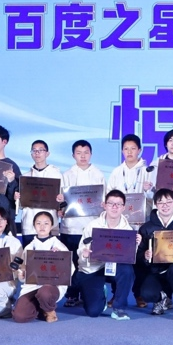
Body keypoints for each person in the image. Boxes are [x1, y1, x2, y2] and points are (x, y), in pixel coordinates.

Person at [76, 189, 137, 320]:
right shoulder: (92, 226)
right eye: (111, 203)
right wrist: (84, 255)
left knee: (127, 271)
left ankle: (119, 308)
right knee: (93, 312)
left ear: (123, 208)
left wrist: (136, 244)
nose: (114, 207)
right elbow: (81, 252)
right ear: (104, 205)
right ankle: (100, 291)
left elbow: (130, 258)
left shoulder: (128, 230)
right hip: (94, 268)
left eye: (118, 204)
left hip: (115, 267)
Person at [108, 133, 153, 307]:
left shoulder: (148, 171)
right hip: (120, 224)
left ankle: (139, 294)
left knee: (140, 261)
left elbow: (154, 198)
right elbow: (109, 196)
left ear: (139, 150)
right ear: (122, 151)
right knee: (118, 259)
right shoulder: (116, 172)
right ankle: (117, 295)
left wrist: (149, 190)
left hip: (141, 222)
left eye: (133, 148)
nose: (129, 152)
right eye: (126, 149)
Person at [59, 139, 106, 307]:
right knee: (71, 262)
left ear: (91, 154)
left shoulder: (98, 174)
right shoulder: (66, 175)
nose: (83, 156)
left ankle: (88, 294)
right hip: (71, 227)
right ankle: (72, 294)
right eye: (79, 153)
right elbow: (61, 202)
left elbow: (104, 200)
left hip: (91, 226)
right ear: (73, 155)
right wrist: (60, 206)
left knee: (90, 262)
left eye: (86, 153)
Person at [138, 188, 173, 320]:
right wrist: (145, 256)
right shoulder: (146, 227)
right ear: (155, 205)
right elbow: (138, 255)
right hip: (156, 271)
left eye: (168, 202)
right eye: (161, 202)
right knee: (146, 294)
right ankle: (162, 298)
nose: (165, 206)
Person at [13, 210, 70, 323]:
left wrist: (60, 258)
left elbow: (69, 271)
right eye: (38, 223)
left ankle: (49, 310)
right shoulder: (29, 248)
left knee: (45, 293)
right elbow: (24, 273)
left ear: (52, 225)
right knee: (20, 316)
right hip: (32, 287)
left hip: (51, 287)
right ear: (34, 226)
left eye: (46, 223)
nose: (42, 226)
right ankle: (41, 309)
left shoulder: (59, 246)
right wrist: (22, 275)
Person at [17, 139, 63, 237]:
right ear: (31, 154)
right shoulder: (25, 177)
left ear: (47, 153)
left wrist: (61, 202)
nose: (37, 153)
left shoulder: (56, 175)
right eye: (34, 150)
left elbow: (63, 201)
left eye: (41, 150)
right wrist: (17, 198)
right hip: (29, 224)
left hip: (50, 225)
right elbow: (21, 205)